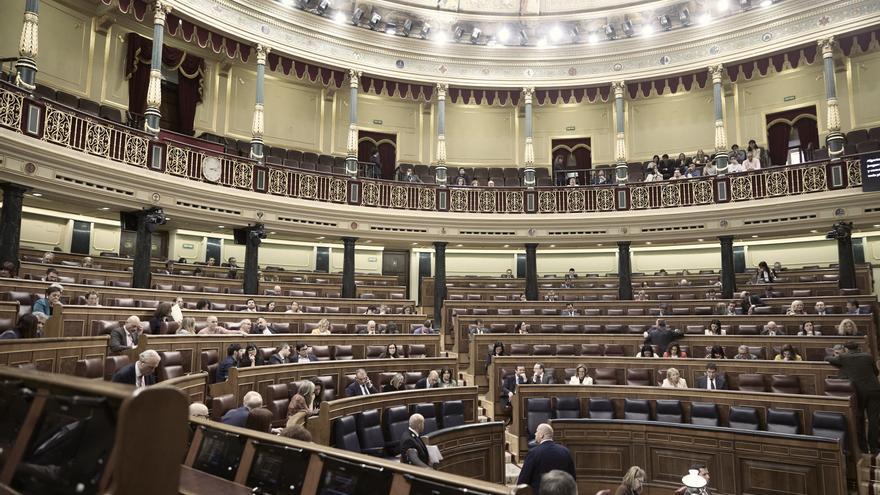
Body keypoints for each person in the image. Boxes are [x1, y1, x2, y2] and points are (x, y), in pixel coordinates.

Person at [827, 342, 880, 453]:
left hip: (858, 392)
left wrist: (834, 355)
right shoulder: (868, 356)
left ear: (846, 349)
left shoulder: (843, 357)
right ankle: (874, 447)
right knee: (873, 419)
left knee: (859, 419)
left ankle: (863, 448)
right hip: (874, 389)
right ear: (858, 348)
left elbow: (827, 358)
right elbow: (876, 372)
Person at [517, 423, 576, 493]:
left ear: (542, 435)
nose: (535, 434)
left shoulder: (533, 453)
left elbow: (523, 480)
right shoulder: (565, 451)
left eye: (536, 431)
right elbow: (572, 478)